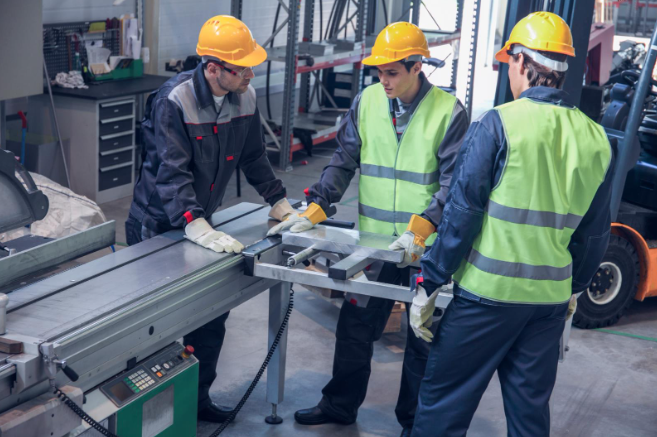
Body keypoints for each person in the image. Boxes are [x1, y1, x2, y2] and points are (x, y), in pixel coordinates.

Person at [409, 12, 614, 437]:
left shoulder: (497, 123)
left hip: (488, 297)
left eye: (508, 63)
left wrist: (430, 279)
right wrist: (575, 287)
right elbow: (594, 233)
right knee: (528, 413)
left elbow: (461, 214)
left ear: (521, 62)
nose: (509, 72)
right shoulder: (596, 138)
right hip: (548, 305)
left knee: (443, 406)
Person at [268, 22, 468, 437]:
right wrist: (318, 203)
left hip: (423, 246)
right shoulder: (367, 102)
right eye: (379, 72)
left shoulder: (450, 112)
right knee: (355, 326)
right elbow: (344, 159)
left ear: (416, 67)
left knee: (421, 332)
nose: (384, 80)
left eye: (392, 72)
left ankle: (415, 423)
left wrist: (423, 227)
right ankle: (340, 405)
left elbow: (454, 183)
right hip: (375, 244)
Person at [125, 15, 297, 423]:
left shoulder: (245, 98)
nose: (251, 76)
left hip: (202, 220)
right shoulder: (174, 100)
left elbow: (253, 157)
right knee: (155, 325)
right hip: (156, 224)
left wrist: (279, 202)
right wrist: (193, 221)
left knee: (211, 313)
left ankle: (197, 401)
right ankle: (152, 415)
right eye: (243, 69)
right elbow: (172, 172)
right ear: (214, 67)